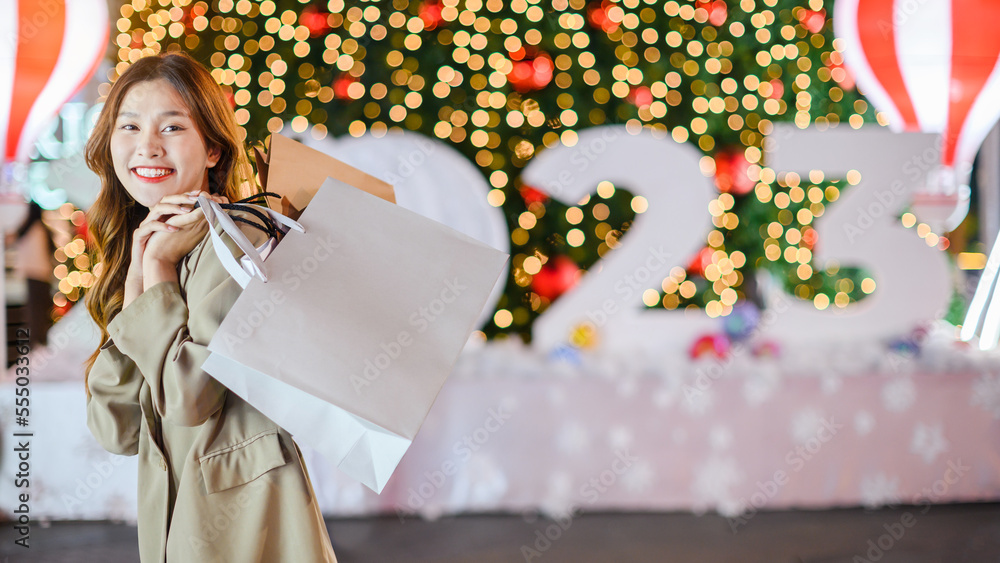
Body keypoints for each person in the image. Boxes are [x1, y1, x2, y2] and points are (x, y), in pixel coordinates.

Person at [82, 52, 337, 562]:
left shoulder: (240, 240)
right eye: (129, 126)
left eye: (171, 126)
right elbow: (118, 429)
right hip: (177, 517)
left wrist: (154, 278)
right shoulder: (147, 245)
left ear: (214, 150)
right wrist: (138, 274)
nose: (146, 145)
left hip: (246, 517)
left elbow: (190, 402)